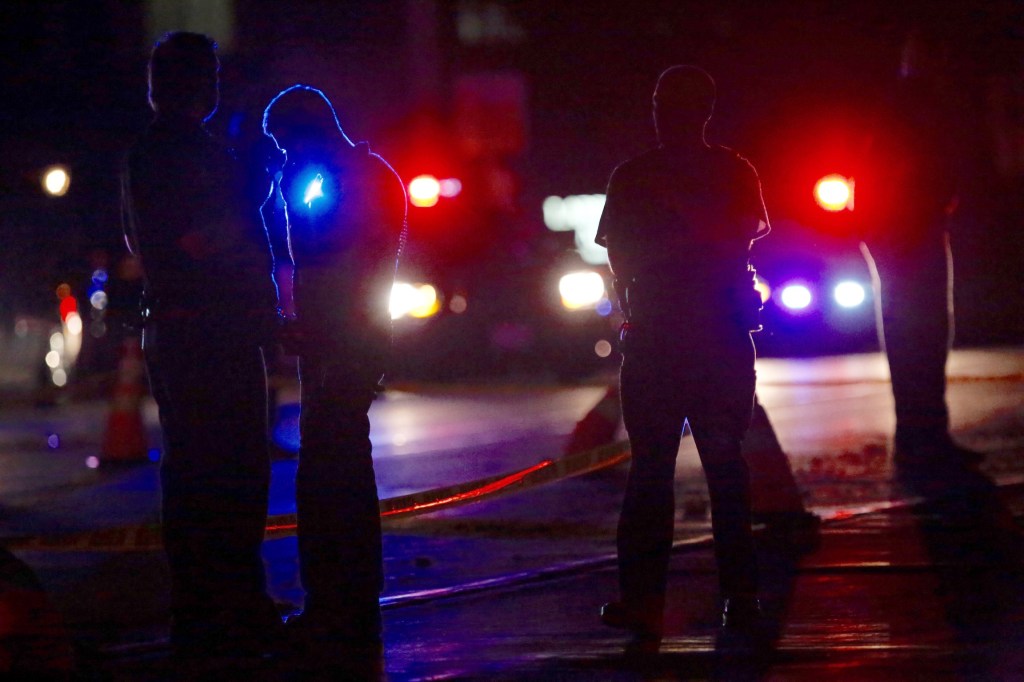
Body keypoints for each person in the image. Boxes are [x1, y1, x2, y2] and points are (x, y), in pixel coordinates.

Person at [121, 32, 283, 665]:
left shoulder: (156, 152)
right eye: (207, 75)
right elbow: (199, 240)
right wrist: (255, 184)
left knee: (201, 477)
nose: (214, 87)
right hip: (208, 333)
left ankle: (212, 613)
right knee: (228, 476)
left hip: (192, 329)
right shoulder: (177, 154)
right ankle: (228, 615)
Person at [595, 65, 768, 648]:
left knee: (650, 474)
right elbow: (743, 236)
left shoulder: (634, 176)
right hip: (720, 336)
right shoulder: (734, 170)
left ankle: (643, 603)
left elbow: (620, 259)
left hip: (658, 340)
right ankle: (740, 598)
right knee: (725, 468)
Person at [262, 85, 406, 673]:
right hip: (347, 339)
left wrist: (285, 196)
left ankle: (336, 605)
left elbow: (326, 256)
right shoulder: (367, 174)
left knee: (330, 473)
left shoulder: (336, 182)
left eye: (286, 144)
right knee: (339, 467)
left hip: (342, 342)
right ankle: (348, 603)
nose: (284, 157)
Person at [856, 28, 978, 489]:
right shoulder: (909, 104)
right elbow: (884, 170)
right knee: (919, 335)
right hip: (906, 233)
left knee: (923, 336)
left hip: (912, 230)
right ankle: (921, 439)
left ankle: (925, 437)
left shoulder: (913, 101)